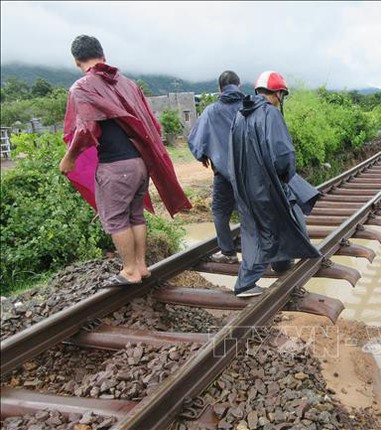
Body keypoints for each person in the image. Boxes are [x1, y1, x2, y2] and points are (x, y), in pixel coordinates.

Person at [59, 35, 191, 286]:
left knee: (116, 219)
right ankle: (141, 265)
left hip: (115, 167)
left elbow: (86, 129)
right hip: (140, 164)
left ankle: (129, 270)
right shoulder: (128, 85)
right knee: (135, 215)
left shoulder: (82, 87)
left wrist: (69, 158)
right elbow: (153, 124)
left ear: (77, 62)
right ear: (103, 55)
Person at [227, 71, 321, 298]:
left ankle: (281, 263)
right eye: (282, 94)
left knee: (255, 229)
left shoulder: (240, 115)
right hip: (266, 186)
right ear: (278, 93)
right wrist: (287, 177)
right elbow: (283, 155)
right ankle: (246, 283)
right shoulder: (270, 115)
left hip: (244, 186)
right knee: (270, 229)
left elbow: (230, 152)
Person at [187, 70, 244, 264]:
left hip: (223, 173)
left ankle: (228, 252)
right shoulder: (250, 106)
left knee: (220, 211)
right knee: (251, 209)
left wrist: (203, 155)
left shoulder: (211, 111)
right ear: (240, 85)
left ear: (219, 89)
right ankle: (256, 248)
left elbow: (195, 138)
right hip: (251, 172)